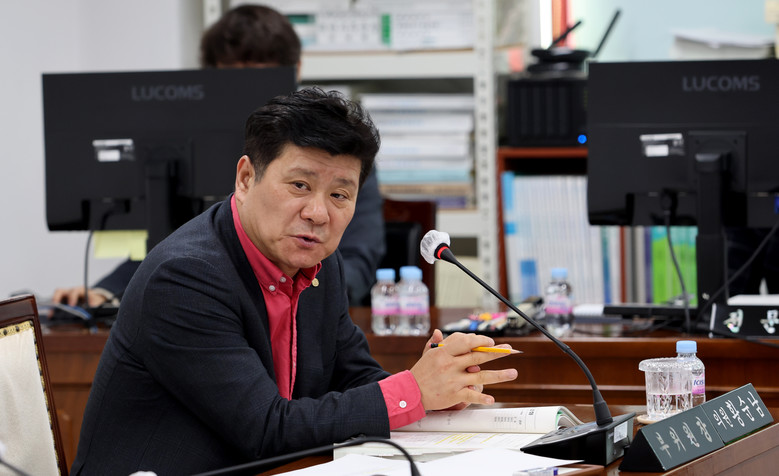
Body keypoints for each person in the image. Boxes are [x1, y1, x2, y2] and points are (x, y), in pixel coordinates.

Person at [69, 88, 518, 475]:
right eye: (300, 185)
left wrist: (434, 394)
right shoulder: (185, 278)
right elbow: (265, 429)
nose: (318, 213)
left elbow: (352, 375)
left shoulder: (319, 263)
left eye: (339, 194)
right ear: (246, 178)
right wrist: (410, 392)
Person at [52, 4, 385, 307]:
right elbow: (170, 244)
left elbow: (357, 262)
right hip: (210, 305)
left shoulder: (336, 161)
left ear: (294, 71)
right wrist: (108, 291)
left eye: (260, 84)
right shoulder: (193, 152)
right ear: (245, 176)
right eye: (233, 86)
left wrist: (292, 294)